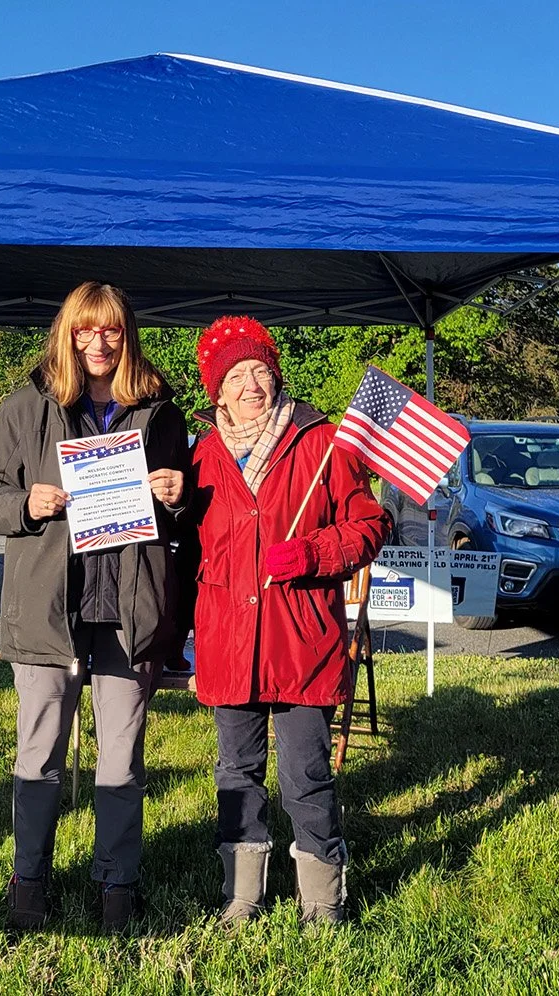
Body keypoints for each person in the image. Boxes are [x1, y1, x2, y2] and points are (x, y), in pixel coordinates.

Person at [0, 281, 189, 932]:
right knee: (40, 755)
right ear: (68, 333)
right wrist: (26, 506)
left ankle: (117, 890)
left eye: (111, 330)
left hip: (129, 606)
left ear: (128, 335)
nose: (98, 342)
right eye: (85, 330)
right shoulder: (27, 406)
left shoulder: (159, 410)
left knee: (121, 757)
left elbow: (182, 508)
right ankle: (28, 884)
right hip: (47, 611)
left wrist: (178, 493)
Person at [185, 315, 389, 925]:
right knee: (236, 771)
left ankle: (322, 901)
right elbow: (186, 555)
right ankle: (242, 894)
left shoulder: (323, 442)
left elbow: (370, 525)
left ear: (276, 377)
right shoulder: (201, 457)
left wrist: (314, 553)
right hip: (227, 638)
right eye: (236, 376)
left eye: (260, 371)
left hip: (300, 636)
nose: (251, 385)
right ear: (215, 392)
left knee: (306, 770)